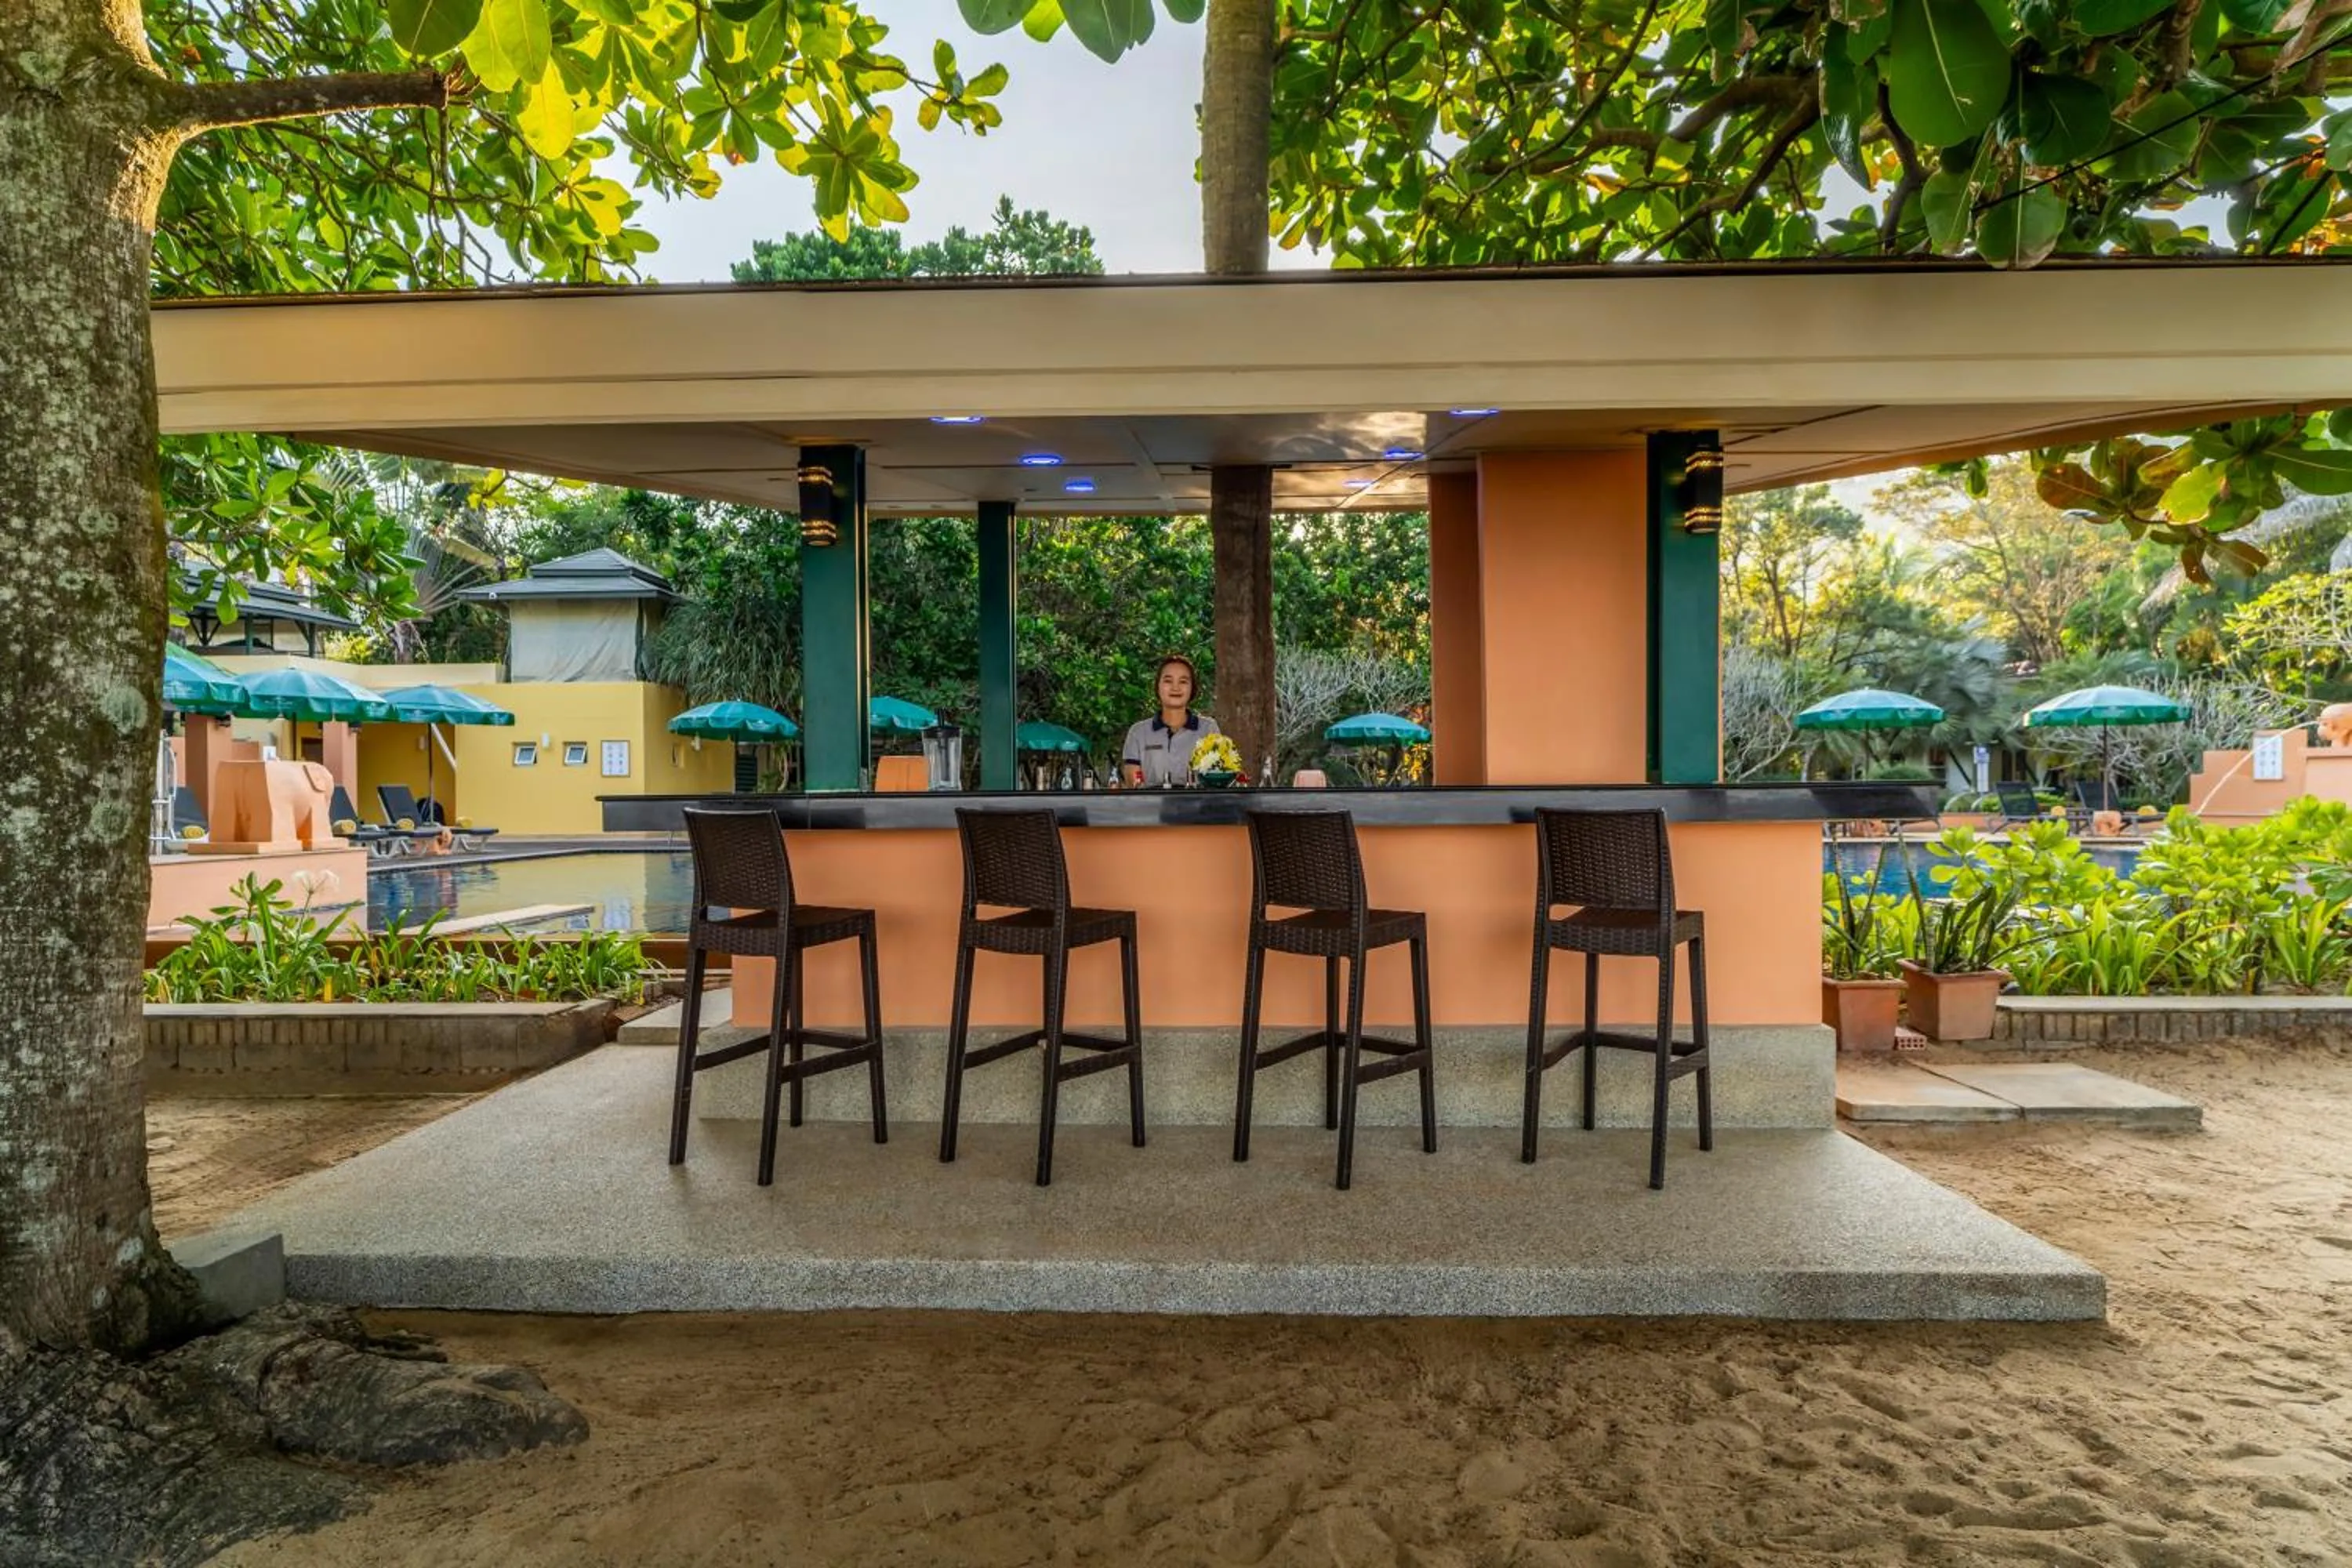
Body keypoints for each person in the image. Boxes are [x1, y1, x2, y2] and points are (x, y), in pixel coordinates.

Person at [1121, 655, 1221, 788]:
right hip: (1151, 801)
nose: (1176, 687)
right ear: (1157, 686)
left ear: (1192, 688)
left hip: (1197, 801)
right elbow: (1134, 786)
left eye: (1183, 682)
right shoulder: (1138, 732)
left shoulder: (1208, 729)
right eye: (1168, 681)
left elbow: (1216, 779)